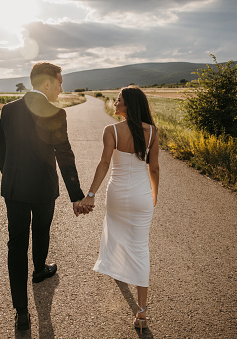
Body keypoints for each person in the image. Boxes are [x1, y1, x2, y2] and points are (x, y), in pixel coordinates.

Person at [0, 62, 90, 331]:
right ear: (47, 83)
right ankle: (38, 270)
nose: (62, 88)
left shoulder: (9, 109)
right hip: (44, 187)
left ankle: (22, 312)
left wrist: (9, 174)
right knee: (41, 229)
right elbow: (64, 155)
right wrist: (76, 195)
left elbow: (0, 146)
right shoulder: (57, 113)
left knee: (16, 245)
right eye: (60, 82)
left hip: (14, 189)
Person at [80, 85, 159, 333]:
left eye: (119, 100)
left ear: (129, 105)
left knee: (117, 234)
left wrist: (91, 194)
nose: (115, 103)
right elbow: (154, 168)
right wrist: (154, 193)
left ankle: (119, 269)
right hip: (141, 195)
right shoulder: (153, 132)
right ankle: (142, 312)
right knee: (140, 246)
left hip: (116, 195)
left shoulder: (111, 130)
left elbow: (104, 163)